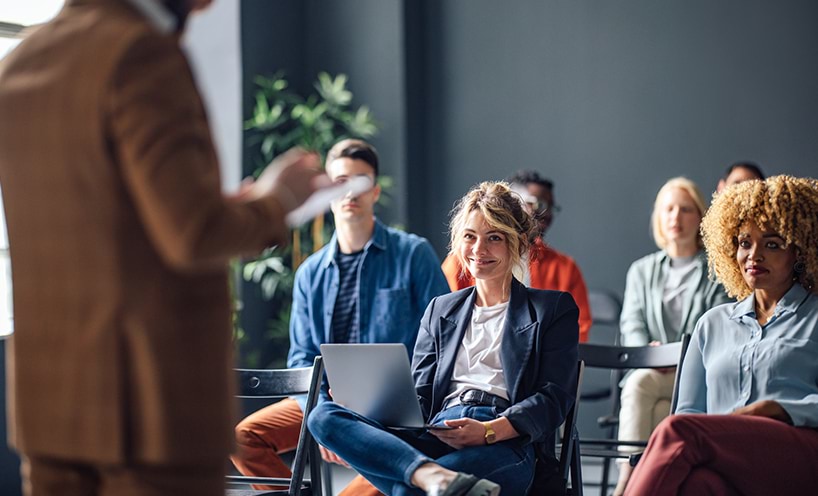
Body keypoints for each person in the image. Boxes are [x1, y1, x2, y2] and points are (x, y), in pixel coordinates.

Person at [0, 0, 326, 495]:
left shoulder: (21, 61)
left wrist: (219, 207)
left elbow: (102, 221)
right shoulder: (140, 54)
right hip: (148, 409)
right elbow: (194, 235)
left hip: (51, 409)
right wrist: (276, 200)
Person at [307, 181, 579, 496]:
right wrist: (368, 406)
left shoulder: (552, 308)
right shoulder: (441, 308)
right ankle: (427, 474)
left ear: (518, 242)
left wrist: (489, 431)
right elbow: (420, 397)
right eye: (469, 236)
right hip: (438, 430)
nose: (479, 250)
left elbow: (553, 399)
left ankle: (422, 476)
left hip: (505, 441)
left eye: (494, 238)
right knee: (323, 415)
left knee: (406, 492)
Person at [231, 139, 450, 495]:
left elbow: (445, 337)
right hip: (325, 401)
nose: (351, 192)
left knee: (383, 470)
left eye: (361, 182)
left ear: (376, 190)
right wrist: (324, 417)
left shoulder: (413, 254)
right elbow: (301, 356)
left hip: (394, 407)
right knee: (243, 438)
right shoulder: (310, 273)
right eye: (341, 181)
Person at [625, 175, 818, 495]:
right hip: (724, 455)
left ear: (799, 252)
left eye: (772, 244)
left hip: (796, 450)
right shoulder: (712, 324)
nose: (754, 255)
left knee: (676, 431)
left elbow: (682, 426)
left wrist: (779, 408)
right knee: (698, 484)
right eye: (745, 243)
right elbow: (689, 411)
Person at [614, 177, 731, 495]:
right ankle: (643, 480)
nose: (675, 218)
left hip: (696, 372)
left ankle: (629, 484)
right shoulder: (642, 270)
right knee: (645, 387)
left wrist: (676, 356)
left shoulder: (717, 270)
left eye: (685, 209)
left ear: (700, 216)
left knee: (642, 389)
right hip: (651, 369)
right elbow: (632, 323)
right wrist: (648, 353)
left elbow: (717, 325)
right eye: (668, 209)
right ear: (658, 217)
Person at [441, 170, 592, 342]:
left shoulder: (565, 267)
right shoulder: (464, 261)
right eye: (539, 204)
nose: (547, 214)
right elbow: (446, 322)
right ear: (513, 204)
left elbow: (578, 331)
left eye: (551, 208)